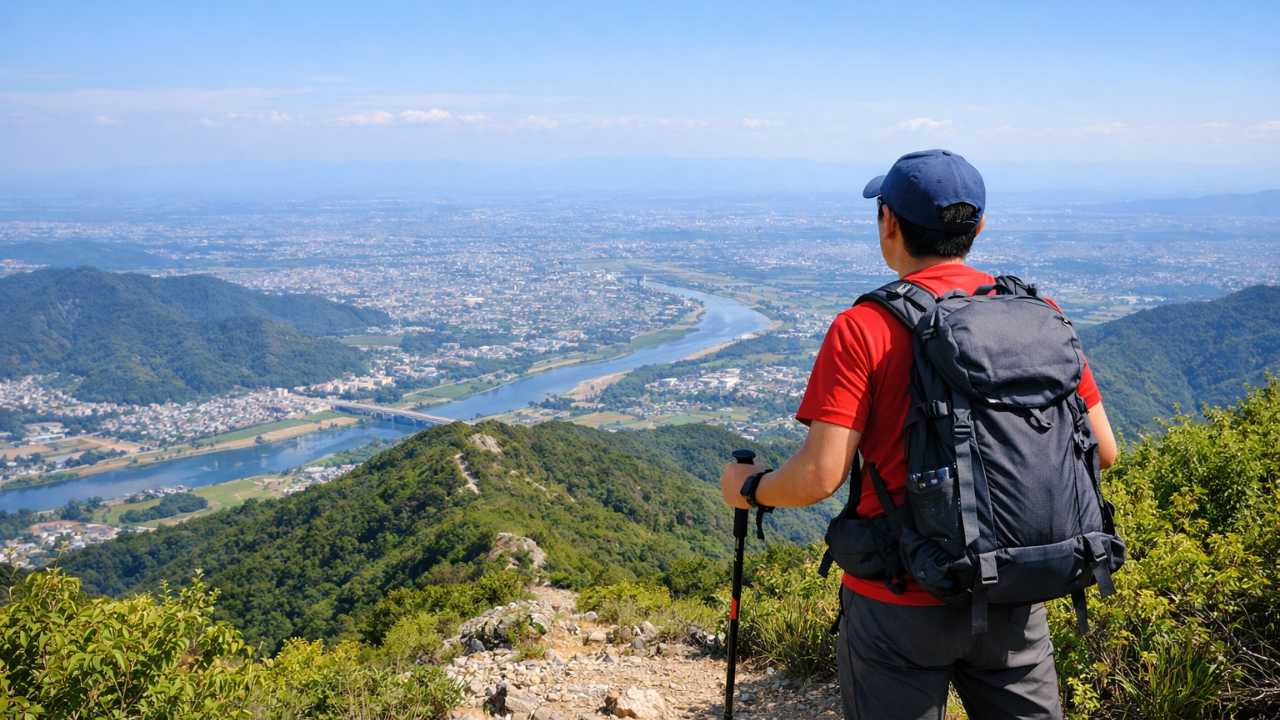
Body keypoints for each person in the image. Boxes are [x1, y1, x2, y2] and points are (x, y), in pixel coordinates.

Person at [718, 149, 1118, 720]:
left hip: (897, 602)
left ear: (889, 223)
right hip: (1012, 590)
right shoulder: (1039, 315)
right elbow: (1103, 450)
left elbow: (819, 477)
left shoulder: (864, 327)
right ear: (978, 228)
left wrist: (750, 489)